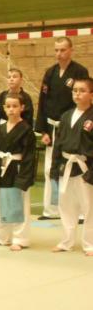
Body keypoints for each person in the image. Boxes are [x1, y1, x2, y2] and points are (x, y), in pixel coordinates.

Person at [36, 37, 89, 220]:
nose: (59, 54)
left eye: (63, 50)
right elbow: (42, 101)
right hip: (51, 127)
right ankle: (51, 210)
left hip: (72, 126)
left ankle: (82, 212)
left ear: (71, 50)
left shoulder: (80, 71)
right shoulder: (50, 73)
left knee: (75, 167)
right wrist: (42, 130)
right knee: (50, 168)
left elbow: (83, 99)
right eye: (56, 50)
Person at [0, 93, 36, 251]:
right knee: (1, 204)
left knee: (19, 204)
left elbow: (29, 157)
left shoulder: (26, 130)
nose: (11, 110)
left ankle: (20, 238)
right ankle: (0, 236)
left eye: (15, 106)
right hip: (2, 168)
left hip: (17, 168)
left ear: (22, 107)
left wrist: (24, 178)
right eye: (8, 106)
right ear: (4, 108)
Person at [50, 78, 93, 256]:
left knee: (89, 207)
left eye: (82, 90)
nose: (77, 93)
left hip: (85, 167)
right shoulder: (66, 116)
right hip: (66, 166)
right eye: (75, 90)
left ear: (91, 94)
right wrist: (54, 167)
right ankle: (66, 241)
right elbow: (58, 144)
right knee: (66, 206)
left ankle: (89, 243)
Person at [0, 68, 34, 147]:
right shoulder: (1, 97)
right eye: (9, 77)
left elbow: (28, 120)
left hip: (19, 134)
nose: (11, 79)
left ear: (21, 80)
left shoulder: (26, 98)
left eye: (14, 77)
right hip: (2, 133)